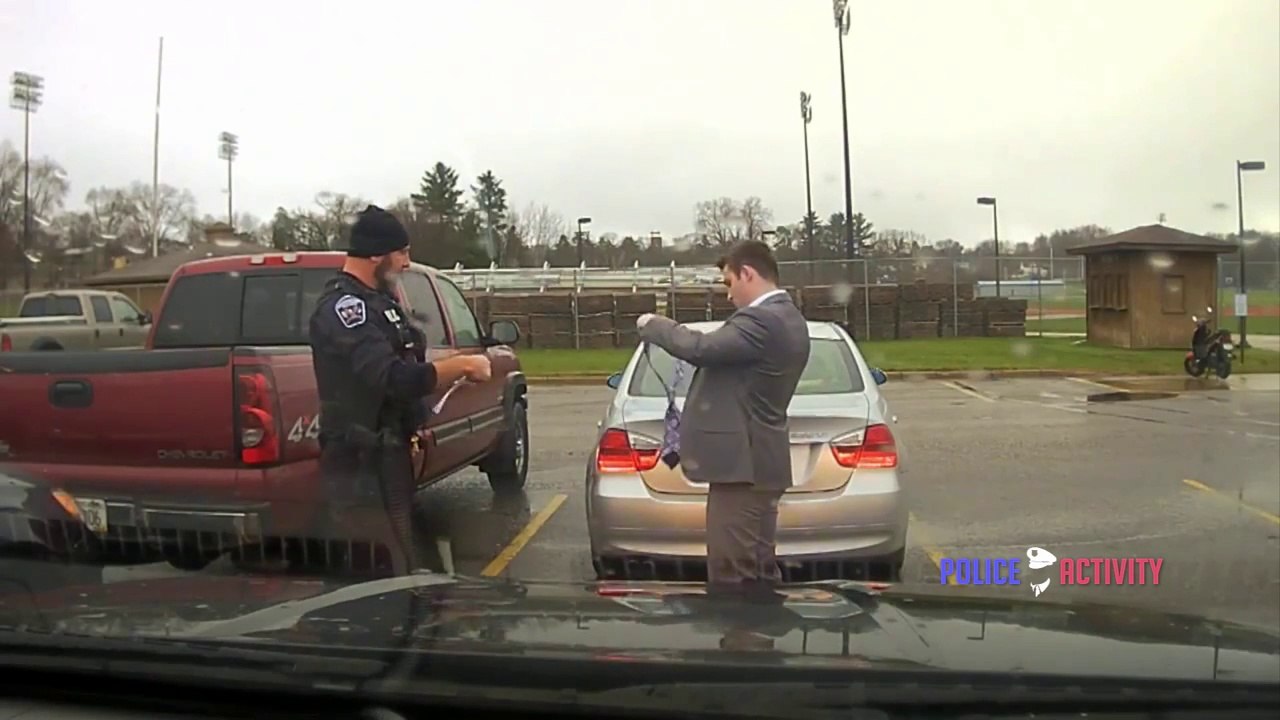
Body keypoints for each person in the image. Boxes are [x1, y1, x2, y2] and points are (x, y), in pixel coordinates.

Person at [309, 205, 491, 575]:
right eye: (402, 252)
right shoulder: (346, 309)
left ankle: (409, 623)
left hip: (388, 458)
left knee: (406, 561)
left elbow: (403, 366)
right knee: (375, 572)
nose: (407, 263)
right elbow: (390, 377)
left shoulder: (380, 301)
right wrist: (460, 366)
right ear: (376, 253)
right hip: (360, 465)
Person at [636, 240, 809, 598]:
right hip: (760, 460)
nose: (728, 295)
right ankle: (760, 642)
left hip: (741, 469)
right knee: (758, 565)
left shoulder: (762, 320)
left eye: (729, 283)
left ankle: (742, 646)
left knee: (733, 572)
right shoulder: (788, 316)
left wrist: (654, 324)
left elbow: (701, 349)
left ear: (748, 273)